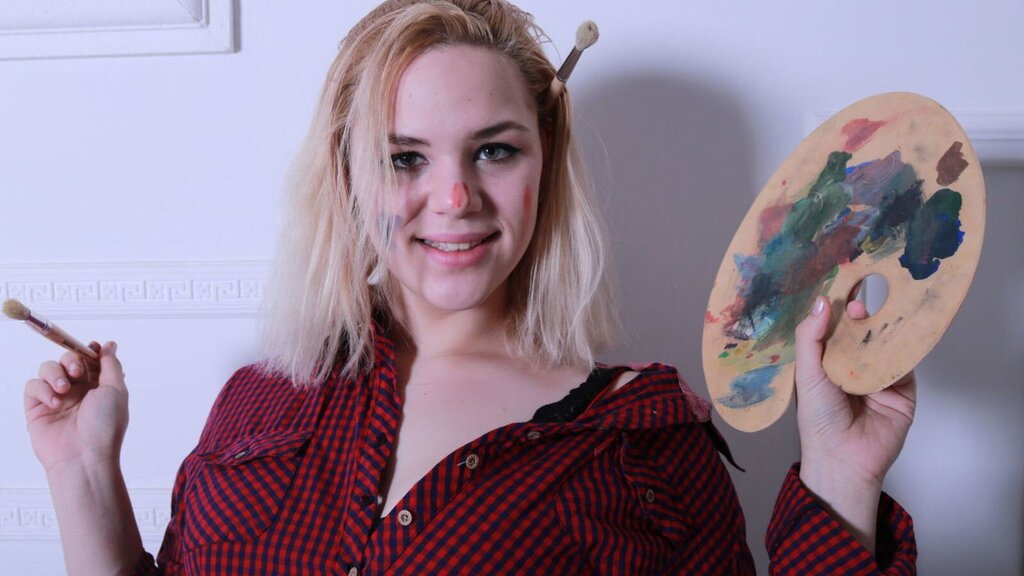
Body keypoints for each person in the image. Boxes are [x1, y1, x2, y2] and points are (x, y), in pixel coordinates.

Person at [23, 0, 918, 574]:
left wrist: (840, 477)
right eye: (404, 158)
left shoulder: (648, 442)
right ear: (348, 176)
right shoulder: (257, 402)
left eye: (493, 150)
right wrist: (81, 471)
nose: (454, 199)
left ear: (544, 164)